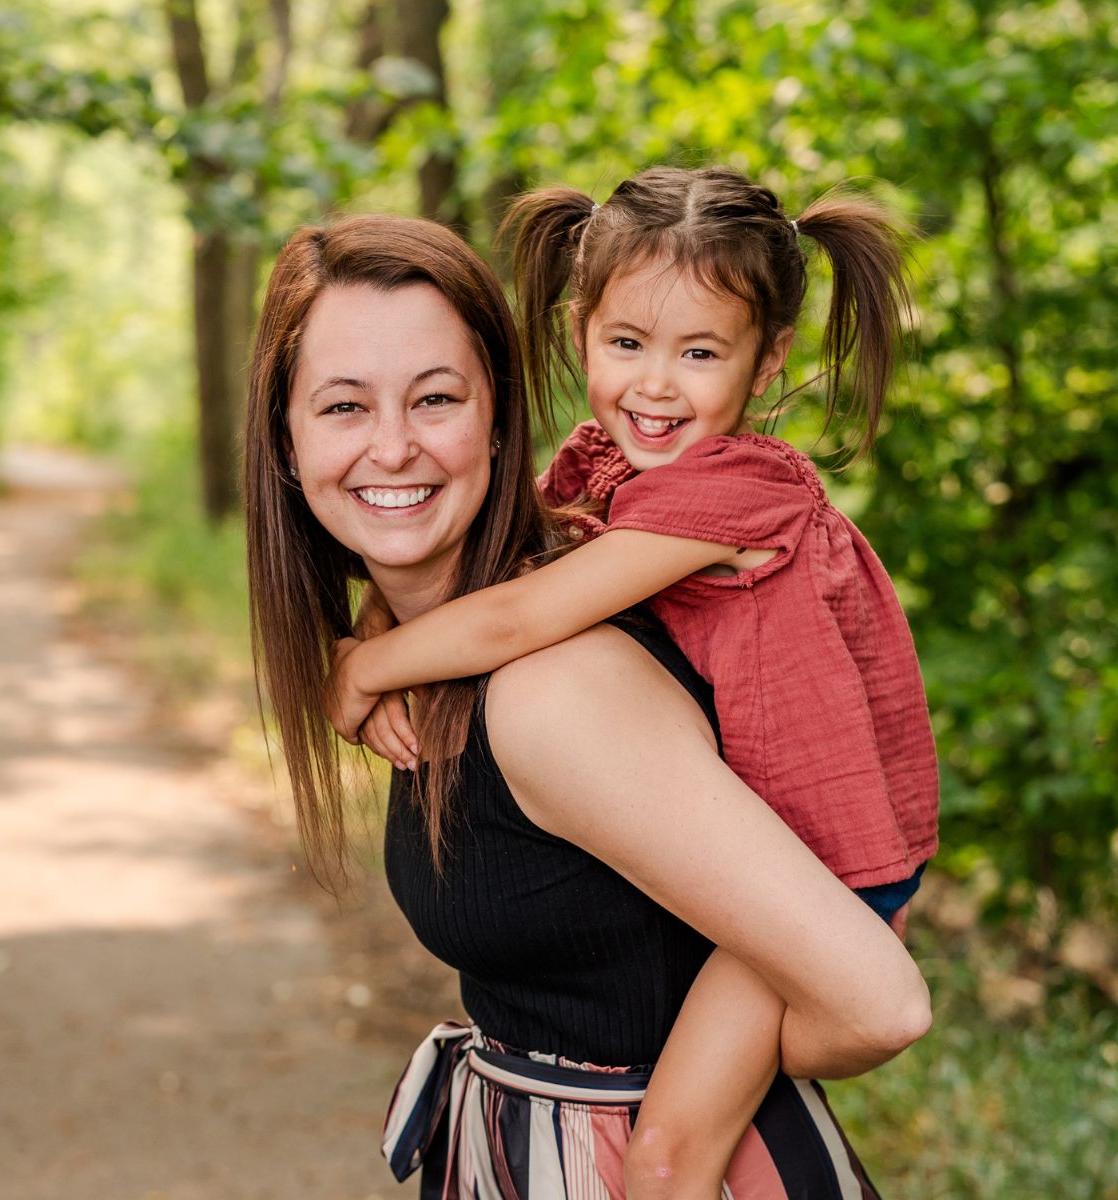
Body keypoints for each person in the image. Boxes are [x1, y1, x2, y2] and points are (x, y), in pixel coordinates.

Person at [245, 212, 931, 1199]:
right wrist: (357, 657)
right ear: (284, 435)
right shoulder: (501, 601)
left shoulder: (554, 688)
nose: (392, 447)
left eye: (434, 398)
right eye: (343, 407)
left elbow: (877, 1003)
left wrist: (362, 666)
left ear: (495, 414)